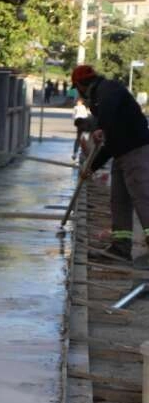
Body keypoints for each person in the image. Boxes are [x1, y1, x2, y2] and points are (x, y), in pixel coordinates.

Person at [75, 63, 149, 261]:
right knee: (119, 201)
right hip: (120, 154)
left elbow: (108, 110)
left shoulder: (108, 89)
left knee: (143, 199)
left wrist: (101, 127)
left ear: (80, 85)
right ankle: (121, 246)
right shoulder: (100, 101)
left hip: (136, 152)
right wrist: (91, 167)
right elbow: (109, 144)